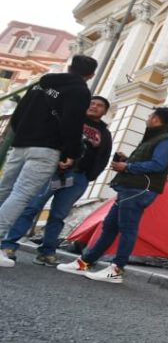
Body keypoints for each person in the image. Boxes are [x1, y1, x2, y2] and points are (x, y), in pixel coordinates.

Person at [56, 107, 168, 283]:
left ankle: (116, 271)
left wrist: (127, 167)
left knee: (128, 228)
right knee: (110, 225)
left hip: (140, 189)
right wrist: (127, 161)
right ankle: (85, 262)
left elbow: (158, 165)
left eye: (150, 116)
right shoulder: (156, 138)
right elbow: (149, 163)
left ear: (156, 120)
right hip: (130, 188)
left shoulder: (166, 140)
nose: (147, 119)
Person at [0, 55, 96, 268]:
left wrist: (21, 135)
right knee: (21, 194)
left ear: (70, 67)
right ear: (90, 75)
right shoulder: (80, 91)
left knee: (4, 189)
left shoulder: (41, 83)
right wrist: (70, 153)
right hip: (46, 149)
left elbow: (18, 115)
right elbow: (72, 122)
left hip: (21, 145)